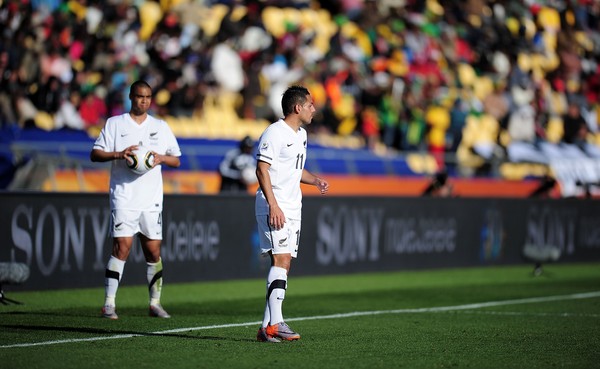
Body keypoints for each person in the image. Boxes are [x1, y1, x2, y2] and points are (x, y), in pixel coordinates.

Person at [90, 80, 181, 320]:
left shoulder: (160, 126)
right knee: (122, 248)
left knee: (153, 252)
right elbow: (95, 153)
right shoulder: (115, 124)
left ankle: (155, 303)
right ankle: (109, 303)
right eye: (140, 96)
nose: (144, 101)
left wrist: (160, 157)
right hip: (124, 196)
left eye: (148, 97)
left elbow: (176, 159)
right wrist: (119, 154)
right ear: (131, 97)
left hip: (151, 200)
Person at [255, 85, 329, 342]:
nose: (314, 109)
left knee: (285, 263)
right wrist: (273, 205)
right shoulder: (274, 133)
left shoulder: (302, 135)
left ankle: (266, 327)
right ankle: (276, 323)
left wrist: (315, 179)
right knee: (281, 260)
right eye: (310, 105)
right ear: (298, 107)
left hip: (293, 206)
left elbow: (296, 170)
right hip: (274, 204)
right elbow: (262, 169)